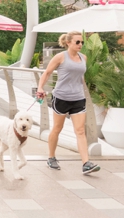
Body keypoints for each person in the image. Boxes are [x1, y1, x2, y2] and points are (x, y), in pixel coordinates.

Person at [36, 31, 100, 175]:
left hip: (78, 98)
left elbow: (79, 77)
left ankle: (86, 163)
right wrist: (40, 87)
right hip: (61, 97)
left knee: (80, 131)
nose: (80, 44)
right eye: (77, 42)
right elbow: (46, 73)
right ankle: (51, 157)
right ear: (68, 43)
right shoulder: (60, 57)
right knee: (57, 129)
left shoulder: (83, 57)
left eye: (82, 42)